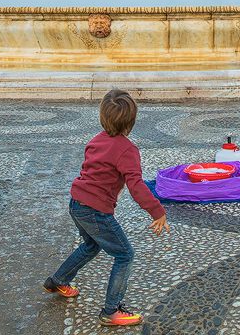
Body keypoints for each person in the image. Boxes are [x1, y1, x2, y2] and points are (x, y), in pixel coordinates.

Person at [43, 89, 170, 328]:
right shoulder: (128, 150)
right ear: (132, 121)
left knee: (91, 246)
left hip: (76, 204)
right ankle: (111, 311)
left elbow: (94, 171)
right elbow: (136, 185)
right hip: (95, 211)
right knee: (125, 254)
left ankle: (57, 280)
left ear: (103, 117)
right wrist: (157, 211)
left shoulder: (96, 140)